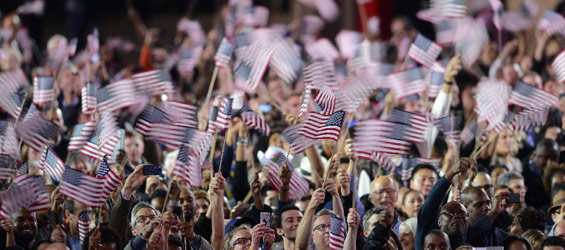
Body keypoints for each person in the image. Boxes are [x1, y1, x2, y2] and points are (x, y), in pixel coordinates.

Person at [523, 139, 559, 209]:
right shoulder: (524, 179)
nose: (550, 162)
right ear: (535, 155)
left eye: (554, 157)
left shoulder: (560, 175)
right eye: (545, 158)